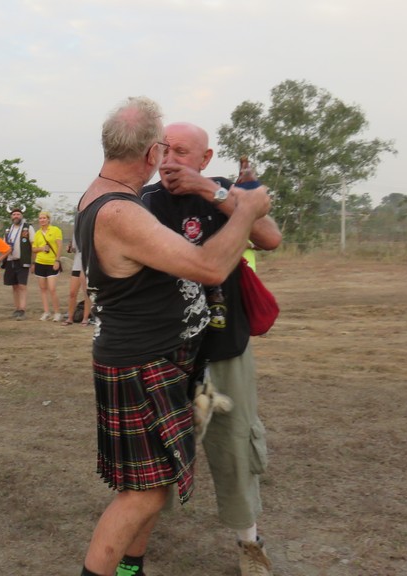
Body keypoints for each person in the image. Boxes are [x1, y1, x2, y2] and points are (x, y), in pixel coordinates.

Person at [74, 96, 271, 576]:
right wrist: (246, 209)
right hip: (142, 363)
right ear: (150, 154)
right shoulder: (122, 211)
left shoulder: (103, 197)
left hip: (154, 359)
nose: (168, 158)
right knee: (142, 494)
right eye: (165, 148)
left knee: (151, 485)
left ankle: (132, 569)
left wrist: (221, 195)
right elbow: (209, 266)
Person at [142, 121, 282, 576]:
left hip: (226, 344)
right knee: (156, 447)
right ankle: (135, 539)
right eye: (164, 150)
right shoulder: (143, 202)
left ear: (205, 158)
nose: (169, 160)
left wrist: (210, 191)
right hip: (165, 349)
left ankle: (249, 543)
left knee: (236, 445)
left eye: (181, 152)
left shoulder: (224, 192)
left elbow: (270, 238)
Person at [2, 207, 34, 320]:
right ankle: (17, 309)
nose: (16, 216)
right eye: (14, 214)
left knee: (22, 286)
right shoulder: (8, 229)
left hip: (23, 261)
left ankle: (22, 310)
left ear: (22, 216)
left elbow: (33, 245)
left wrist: (33, 262)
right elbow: (3, 245)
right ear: (11, 216)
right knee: (14, 286)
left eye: (18, 214)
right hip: (10, 261)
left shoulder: (28, 228)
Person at [32, 210, 64, 321]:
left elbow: (60, 246)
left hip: (52, 263)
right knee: (43, 289)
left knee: (52, 289)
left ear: (48, 219)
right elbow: (34, 249)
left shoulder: (55, 230)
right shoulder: (37, 233)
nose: (42, 220)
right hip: (40, 262)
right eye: (40, 218)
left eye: (44, 218)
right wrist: (41, 249)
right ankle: (46, 312)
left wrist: (57, 260)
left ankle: (57, 312)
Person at [63, 234, 90, 326]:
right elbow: (74, 249)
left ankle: (85, 318)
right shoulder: (76, 231)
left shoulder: (90, 228)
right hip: (77, 264)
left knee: (86, 292)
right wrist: (70, 248)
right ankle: (70, 317)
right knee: (72, 292)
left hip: (88, 262)